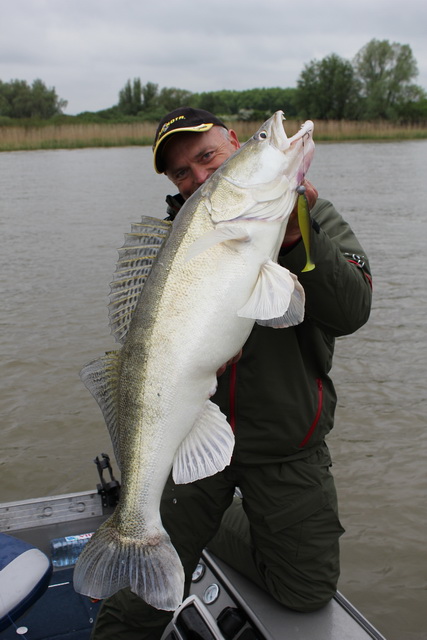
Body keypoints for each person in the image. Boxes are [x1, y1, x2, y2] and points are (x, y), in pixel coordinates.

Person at [91, 107, 373, 639]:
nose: (199, 176)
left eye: (207, 157)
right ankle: (169, 528)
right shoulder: (171, 248)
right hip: (187, 444)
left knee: (307, 591)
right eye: (181, 172)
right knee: (133, 609)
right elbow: (146, 349)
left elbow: (352, 311)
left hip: (285, 445)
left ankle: (217, 529)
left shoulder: (315, 219)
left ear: (235, 145)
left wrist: (294, 238)